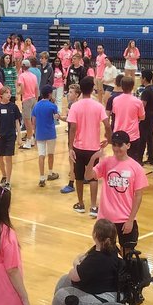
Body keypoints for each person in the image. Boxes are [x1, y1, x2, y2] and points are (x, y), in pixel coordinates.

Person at [36, 219, 125, 305]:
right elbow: (84, 260)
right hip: (105, 289)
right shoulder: (111, 250)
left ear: (95, 235)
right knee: (64, 280)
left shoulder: (98, 259)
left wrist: (76, 263)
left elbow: (74, 275)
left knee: (60, 296)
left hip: (104, 297)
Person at [94, 131, 147, 253]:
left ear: (128, 145)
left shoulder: (136, 168)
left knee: (127, 254)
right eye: (114, 145)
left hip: (125, 218)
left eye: (120, 145)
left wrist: (130, 220)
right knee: (104, 253)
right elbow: (89, 175)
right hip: (105, 219)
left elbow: (138, 195)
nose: (116, 148)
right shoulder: (106, 162)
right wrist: (93, 157)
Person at [67, 76, 110, 216]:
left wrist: (70, 148)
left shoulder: (75, 106)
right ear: (93, 89)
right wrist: (108, 139)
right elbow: (107, 125)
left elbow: (72, 128)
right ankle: (93, 207)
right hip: (93, 148)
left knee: (79, 177)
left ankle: (80, 204)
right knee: (93, 177)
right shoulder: (98, 105)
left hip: (78, 147)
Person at [0, 86, 22, 187]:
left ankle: (8, 181)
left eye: (9, 93)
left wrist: (19, 136)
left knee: (9, 158)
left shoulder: (14, 107)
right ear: (1, 95)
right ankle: (4, 176)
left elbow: (17, 122)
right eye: (6, 93)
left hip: (10, 136)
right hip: (0, 136)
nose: (9, 95)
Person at [112, 76, 146, 162]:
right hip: (132, 136)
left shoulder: (115, 100)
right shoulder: (138, 102)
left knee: (117, 159)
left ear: (121, 86)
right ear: (133, 86)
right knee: (132, 160)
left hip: (118, 134)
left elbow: (115, 113)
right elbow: (142, 117)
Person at [33, 85, 60, 186]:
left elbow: (33, 120)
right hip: (50, 133)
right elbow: (57, 117)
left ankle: (41, 177)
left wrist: (34, 131)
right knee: (51, 154)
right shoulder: (52, 106)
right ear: (49, 94)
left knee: (41, 155)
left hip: (40, 133)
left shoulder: (37, 105)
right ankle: (50, 172)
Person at [138, 69, 153, 165]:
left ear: (144, 79)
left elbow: (142, 106)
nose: (140, 79)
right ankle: (151, 158)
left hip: (146, 115)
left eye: (141, 77)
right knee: (150, 136)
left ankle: (139, 158)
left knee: (142, 137)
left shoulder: (145, 92)